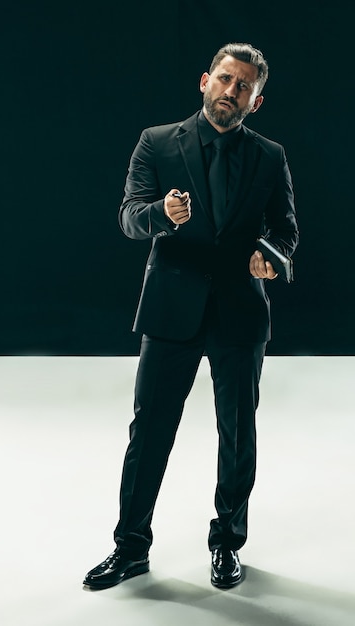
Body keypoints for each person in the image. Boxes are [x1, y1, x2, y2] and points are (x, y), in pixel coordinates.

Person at [83, 42, 299, 591]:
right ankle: (129, 547)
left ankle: (227, 543)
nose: (232, 91)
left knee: (237, 434)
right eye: (225, 79)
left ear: (257, 100)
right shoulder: (155, 143)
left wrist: (270, 257)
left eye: (244, 86)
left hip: (239, 313)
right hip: (171, 310)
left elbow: (286, 232)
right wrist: (162, 214)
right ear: (205, 80)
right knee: (150, 433)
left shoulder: (270, 156)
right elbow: (130, 218)